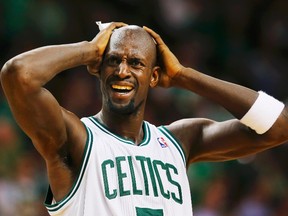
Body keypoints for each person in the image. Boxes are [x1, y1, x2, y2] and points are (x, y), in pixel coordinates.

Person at [1, 21, 288, 216]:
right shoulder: (76, 139)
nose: (122, 70)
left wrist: (184, 76)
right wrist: (89, 49)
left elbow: (278, 126)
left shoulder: (179, 141)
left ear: (153, 76)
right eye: (113, 60)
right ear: (97, 68)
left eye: (136, 63)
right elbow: (18, 74)